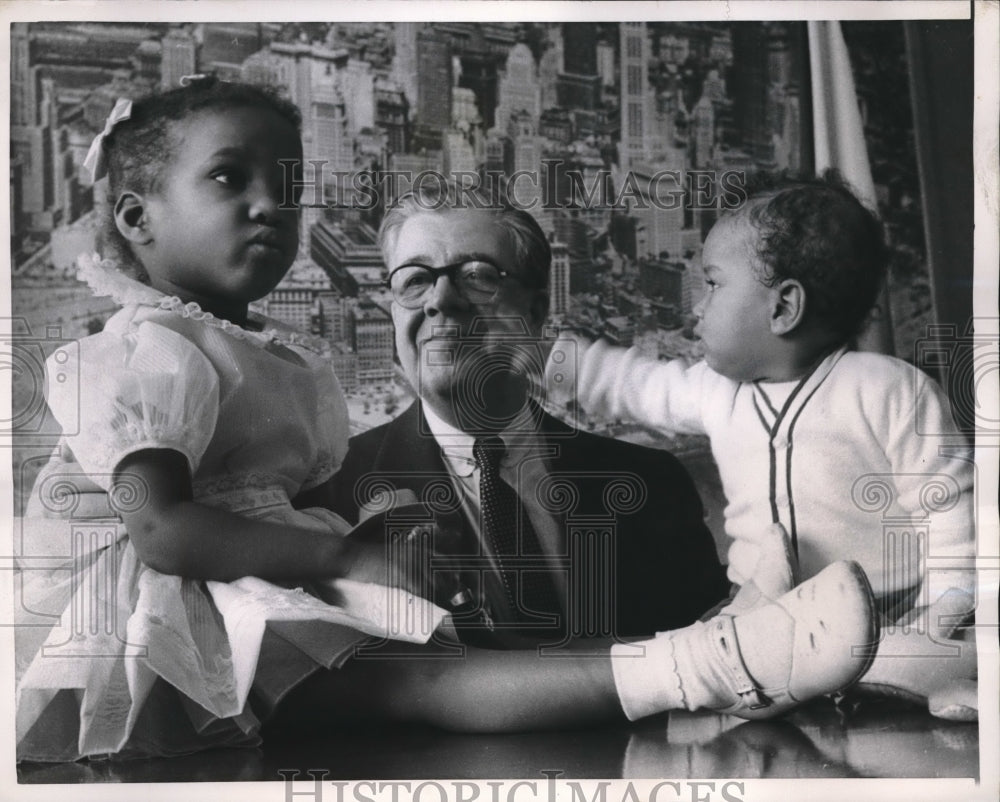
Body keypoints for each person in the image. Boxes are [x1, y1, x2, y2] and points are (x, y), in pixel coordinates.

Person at [266, 182, 879, 733]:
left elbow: (740, 681)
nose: (440, 301)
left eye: (477, 274)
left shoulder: (650, 484)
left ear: (535, 315)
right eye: (414, 280)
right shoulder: (326, 499)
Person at [15, 78, 445, 762]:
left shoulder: (279, 358)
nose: (270, 206)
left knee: (421, 667)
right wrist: (347, 557)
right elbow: (161, 531)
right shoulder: (146, 350)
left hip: (250, 579)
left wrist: (380, 531)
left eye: (289, 187)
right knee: (416, 691)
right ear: (136, 219)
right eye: (227, 177)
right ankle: (660, 672)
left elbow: (281, 498)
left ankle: (633, 671)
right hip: (166, 613)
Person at [548, 172, 977, 720]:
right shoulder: (716, 391)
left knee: (911, 657)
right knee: (713, 645)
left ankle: (912, 676)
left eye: (712, 284)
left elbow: (948, 507)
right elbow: (638, 387)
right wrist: (551, 361)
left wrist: (941, 610)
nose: (695, 307)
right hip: (761, 613)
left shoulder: (887, 388)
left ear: (783, 308)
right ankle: (797, 676)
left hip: (886, 618)